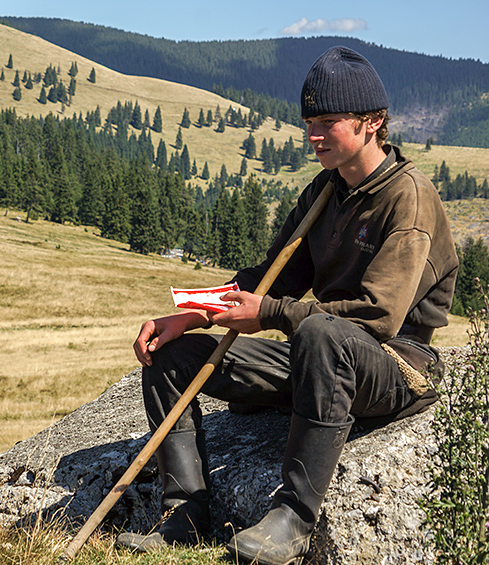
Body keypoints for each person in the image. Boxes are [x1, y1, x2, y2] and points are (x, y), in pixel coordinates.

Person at [115, 46, 458, 565]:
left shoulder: (407, 195)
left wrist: (271, 315)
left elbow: (378, 317)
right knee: (173, 357)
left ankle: (293, 519)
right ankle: (184, 515)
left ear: (373, 123)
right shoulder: (325, 191)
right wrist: (190, 313)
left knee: (319, 334)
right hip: (321, 357)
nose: (313, 135)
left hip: (396, 366)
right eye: (308, 123)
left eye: (327, 122)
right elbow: (269, 279)